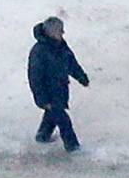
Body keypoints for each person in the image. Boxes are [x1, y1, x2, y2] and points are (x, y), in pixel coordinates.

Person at [27, 16, 90, 151]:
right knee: (63, 120)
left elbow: (71, 63)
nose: (62, 33)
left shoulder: (61, 46)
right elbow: (35, 78)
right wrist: (42, 98)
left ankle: (43, 136)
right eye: (60, 31)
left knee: (52, 115)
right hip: (48, 93)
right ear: (51, 32)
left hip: (60, 90)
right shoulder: (39, 51)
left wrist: (81, 77)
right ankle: (72, 146)